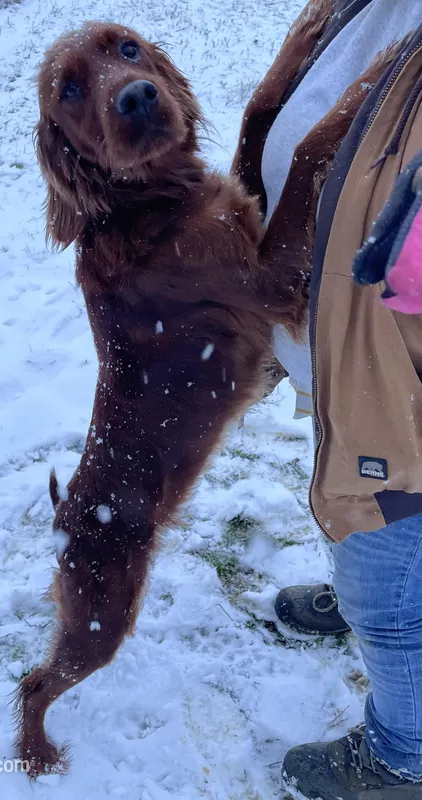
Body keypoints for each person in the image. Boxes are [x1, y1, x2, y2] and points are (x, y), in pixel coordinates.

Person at [248, 1, 422, 797]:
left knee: (389, 575)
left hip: (397, 393)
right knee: (350, 508)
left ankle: (402, 756)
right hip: (340, 358)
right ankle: (369, 603)